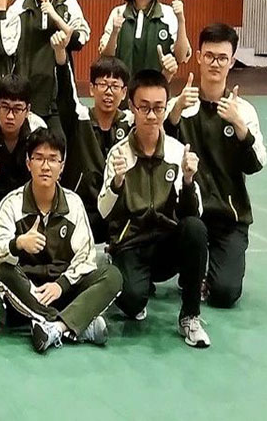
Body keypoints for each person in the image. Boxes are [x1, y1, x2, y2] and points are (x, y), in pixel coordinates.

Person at [98, 69, 209, 347]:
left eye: (158, 108)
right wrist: (117, 183)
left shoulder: (177, 151)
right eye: (144, 108)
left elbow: (194, 214)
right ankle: (125, 277)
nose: (151, 115)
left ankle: (190, 316)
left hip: (165, 246)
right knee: (133, 304)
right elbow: (103, 211)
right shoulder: (119, 153)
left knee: (195, 229)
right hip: (131, 245)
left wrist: (188, 180)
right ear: (132, 107)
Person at [0, 129, 122, 354]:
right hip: (29, 292)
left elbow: (85, 257)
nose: (45, 166)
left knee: (112, 275)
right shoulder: (11, 204)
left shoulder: (74, 204)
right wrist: (18, 243)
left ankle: (55, 328)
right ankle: (74, 324)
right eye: (39, 158)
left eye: (53, 159)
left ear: (61, 167)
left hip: (64, 289)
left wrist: (61, 285)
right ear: (28, 163)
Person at [165, 24, 266, 309]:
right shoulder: (180, 105)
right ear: (198, 56)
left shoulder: (243, 111)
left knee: (225, 293)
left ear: (232, 61)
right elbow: (160, 152)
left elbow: (256, 164)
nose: (215, 63)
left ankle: (208, 273)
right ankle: (191, 269)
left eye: (222, 58)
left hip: (229, 217)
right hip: (188, 214)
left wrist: (240, 128)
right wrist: (174, 115)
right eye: (209, 56)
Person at [54, 35, 132, 242]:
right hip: (83, 209)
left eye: (115, 86)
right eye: (103, 84)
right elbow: (66, 92)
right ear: (91, 88)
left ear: (124, 92)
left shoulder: (131, 123)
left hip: (120, 208)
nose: (108, 92)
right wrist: (61, 55)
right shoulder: (79, 118)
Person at [7, 0, 90, 133]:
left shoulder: (68, 1)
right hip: (27, 95)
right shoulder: (20, 6)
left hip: (58, 95)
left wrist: (56, 16)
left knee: (57, 146)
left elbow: (79, 40)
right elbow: (6, 46)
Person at [0, 75, 47, 227]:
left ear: (27, 110)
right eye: (5, 107)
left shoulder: (38, 130)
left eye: (17, 109)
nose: (10, 116)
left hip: (30, 198)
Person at [99, 0, 191, 78]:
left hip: (155, 89)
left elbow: (181, 57)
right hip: (122, 89)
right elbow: (106, 57)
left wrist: (181, 20)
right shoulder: (118, 13)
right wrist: (115, 32)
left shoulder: (168, 14)